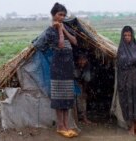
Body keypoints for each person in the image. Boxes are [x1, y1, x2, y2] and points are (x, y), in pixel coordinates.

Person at [47, 3, 78, 138]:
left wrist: (64, 30)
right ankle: (60, 126)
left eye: (64, 15)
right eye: (60, 14)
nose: (62, 17)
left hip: (67, 68)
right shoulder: (50, 31)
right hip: (58, 68)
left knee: (66, 98)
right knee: (59, 99)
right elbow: (60, 45)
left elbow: (75, 41)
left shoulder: (66, 27)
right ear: (53, 15)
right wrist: (59, 30)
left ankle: (66, 125)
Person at [117, 26, 136, 136]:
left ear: (132, 36)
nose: (127, 37)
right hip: (126, 81)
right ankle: (131, 126)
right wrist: (133, 61)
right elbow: (121, 64)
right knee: (129, 103)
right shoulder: (121, 49)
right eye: (125, 36)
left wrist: (133, 61)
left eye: (129, 35)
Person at [74, 53, 94, 125]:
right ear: (77, 60)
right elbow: (74, 76)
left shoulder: (87, 67)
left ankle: (84, 118)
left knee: (82, 101)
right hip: (72, 84)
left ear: (87, 60)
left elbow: (86, 80)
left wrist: (84, 91)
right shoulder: (74, 65)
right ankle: (75, 119)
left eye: (84, 60)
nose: (82, 62)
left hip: (80, 85)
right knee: (73, 102)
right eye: (80, 60)